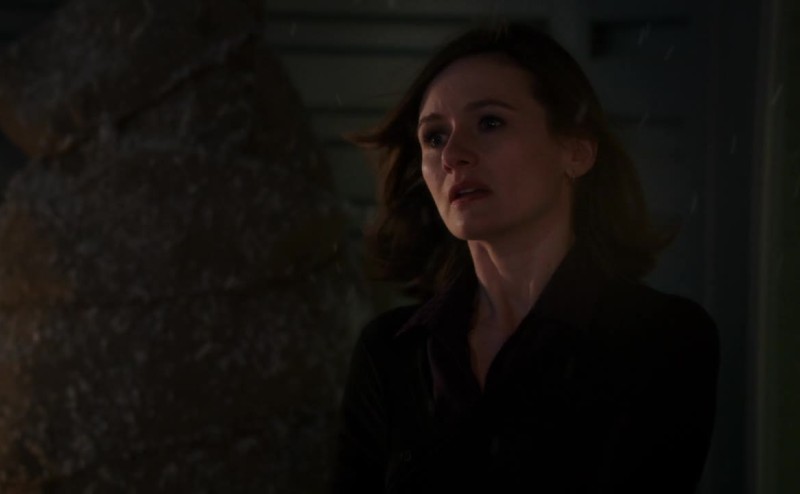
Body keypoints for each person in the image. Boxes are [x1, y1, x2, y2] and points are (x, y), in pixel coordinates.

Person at [331, 22, 719, 494]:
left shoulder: (660, 338)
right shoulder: (390, 352)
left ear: (575, 151)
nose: (453, 154)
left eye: (490, 122)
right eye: (434, 137)